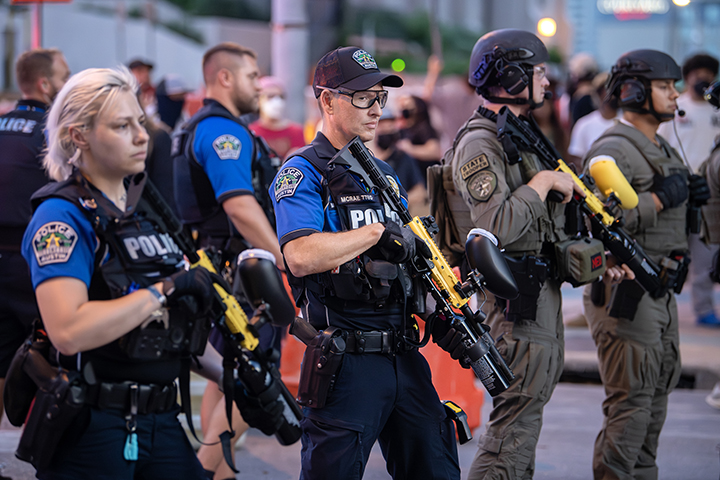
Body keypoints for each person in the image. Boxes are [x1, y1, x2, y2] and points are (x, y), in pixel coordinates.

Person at [19, 66, 282, 479]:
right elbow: (67, 331)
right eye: (122, 126)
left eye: (139, 122)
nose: (142, 136)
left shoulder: (149, 213)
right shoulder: (62, 217)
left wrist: (240, 375)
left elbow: (176, 332)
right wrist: (165, 289)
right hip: (93, 425)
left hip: (163, 420)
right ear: (79, 135)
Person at [272, 46, 461, 480]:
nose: (376, 109)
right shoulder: (303, 171)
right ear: (327, 100)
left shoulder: (385, 174)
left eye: (380, 97)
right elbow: (298, 256)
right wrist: (377, 232)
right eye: (363, 98)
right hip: (347, 360)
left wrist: (441, 308)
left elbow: (408, 260)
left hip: (403, 351)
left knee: (438, 469)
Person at [444, 29, 622, 479]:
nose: (547, 81)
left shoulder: (520, 134)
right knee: (511, 429)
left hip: (535, 295)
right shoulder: (481, 142)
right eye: (539, 72)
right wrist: (542, 183)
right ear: (509, 76)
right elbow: (496, 226)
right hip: (514, 303)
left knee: (523, 428)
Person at [581, 49, 706, 479]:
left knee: (653, 405)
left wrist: (692, 199)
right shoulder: (613, 148)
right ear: (633, 91)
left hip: (661, 290)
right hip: (629, 292)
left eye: (674, 87)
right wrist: (661, 197)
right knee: (631, 406)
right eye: (665, 87)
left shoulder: (659, 144)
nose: (675, 95)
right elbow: (599, 216)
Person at [172, 42, 284, 480]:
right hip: (242, 273)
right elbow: (238, 205)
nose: (259, 86)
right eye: (253, 76)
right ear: (225, 78)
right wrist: (283, 257)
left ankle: (221, 473)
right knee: (257, 381)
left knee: (226, 373)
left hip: (214, 267)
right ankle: (204, 473)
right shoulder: (224, 132)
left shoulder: (192, 127)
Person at [0, 47, 69, 423]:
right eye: (64, 76)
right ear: (45, 84)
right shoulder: (54, 133)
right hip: (39, 261)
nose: (68, 83)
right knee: (59, 358)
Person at [658, 53, 720, 327]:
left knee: (706, 253)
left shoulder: (716, 109)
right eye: (697, 74)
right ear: (687, 77)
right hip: (678, 191)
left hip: (710, 194)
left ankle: (704, 308)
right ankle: (662, 308)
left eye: (709, 74)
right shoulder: (674, 109)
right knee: (671, 251)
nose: (703, 79)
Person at [370, 109, 427, 216]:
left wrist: (397, 203)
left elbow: (420, 191)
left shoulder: (403, 157)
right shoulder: (366, 159)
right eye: (383, 127)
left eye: (390, 128)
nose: (387, 131)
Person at [567, 72, 620, 168]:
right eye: (608, 89)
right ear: (599, 93)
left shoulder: (627, 121)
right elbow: (576, 157)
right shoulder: (584, 124)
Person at [249, 76, 305, 160]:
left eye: (281, 97)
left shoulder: (297, 132)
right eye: (270, 96)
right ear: (258, 100)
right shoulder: (251, 132)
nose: (277, 101)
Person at [396, 94, 442, 180]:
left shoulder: (424, 128)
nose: (405, 109)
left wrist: (410, 149)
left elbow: (435, 152)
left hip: (427, 177)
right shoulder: (404, 130)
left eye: (408, 106)